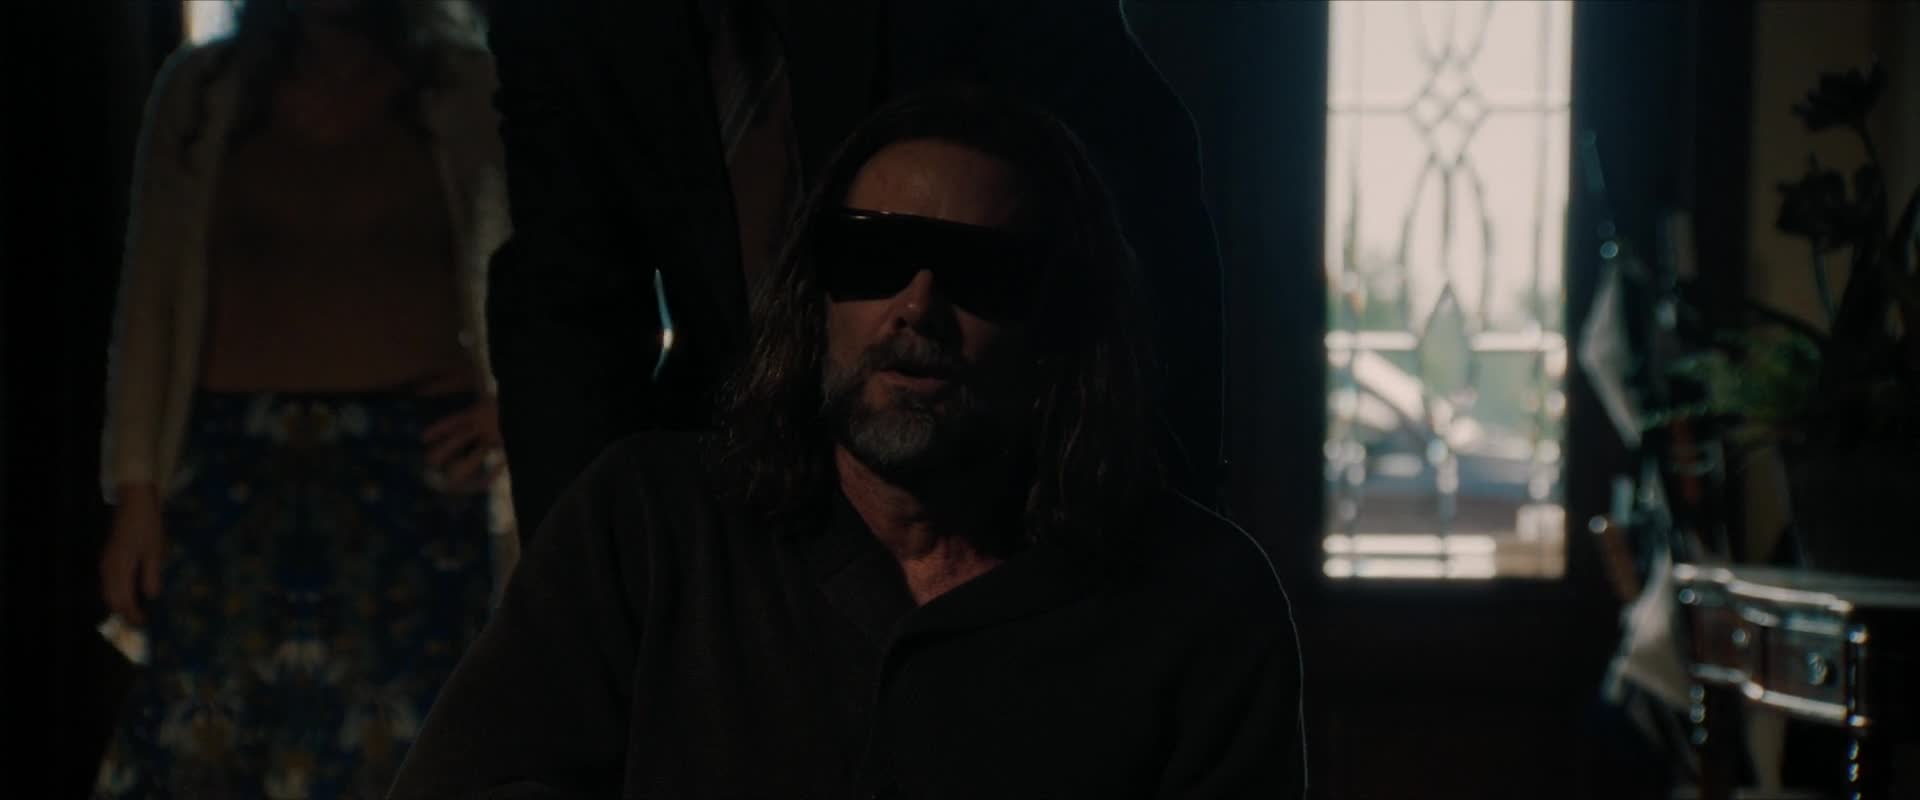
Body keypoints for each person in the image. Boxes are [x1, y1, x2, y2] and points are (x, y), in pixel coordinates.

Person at [389, 85, 1302, 799]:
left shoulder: (1197, 598)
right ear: (815, 294)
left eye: (981, 271)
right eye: (873, 256)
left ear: (1061, 321)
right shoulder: (649, 526)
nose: (917, 308)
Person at [484, 0, 1225, 542]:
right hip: (738, 467)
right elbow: (563, 304)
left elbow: (1140, 231)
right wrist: (583, 584)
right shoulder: (567, 22)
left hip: (1000, 477)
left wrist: (1150, 528)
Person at [93, 0, 514, 795]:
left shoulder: (460, 87)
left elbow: (526, 257)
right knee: (206, 746)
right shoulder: (204, 92)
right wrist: (137, 492)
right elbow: (149, 296)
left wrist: (508, 401)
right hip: (232, 471)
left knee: (408, 750)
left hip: (412, 474)